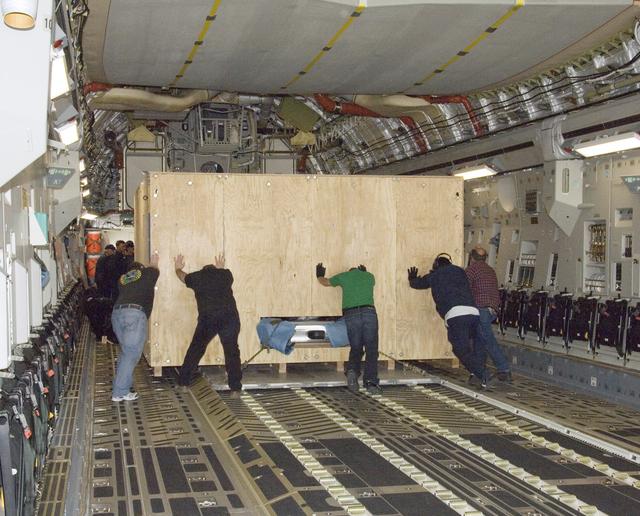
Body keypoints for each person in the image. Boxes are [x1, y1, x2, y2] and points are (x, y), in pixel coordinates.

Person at [408, 253, 488, 387]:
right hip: (474, 313)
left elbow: (418, 284)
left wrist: (412, 278)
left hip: (456, 315)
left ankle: (482, 373)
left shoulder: (436, 275)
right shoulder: (460, 271)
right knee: (477, 345)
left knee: (460, 349)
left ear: (436, 265)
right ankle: (476, 374)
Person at [174, 253, 242, 394]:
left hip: (208, 318)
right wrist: (221, 268)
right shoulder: (226, 275)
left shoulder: (197, 277)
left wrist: (177, 268)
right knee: (232, 351)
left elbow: (182, 277)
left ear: (203, 270)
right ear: (214, 269)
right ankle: (235, 388)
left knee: (196, 348)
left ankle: (183, 383)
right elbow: (223, 273)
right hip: (229, 317)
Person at [316, 263, 381, 394]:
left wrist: (319, 275)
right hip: (369, 312)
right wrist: (364, 272)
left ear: (349, 271)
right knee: (371, 348)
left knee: (356, 346)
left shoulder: (344, 276)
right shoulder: (369, 276)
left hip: (351, 315)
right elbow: (367, 281)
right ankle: (371, 383)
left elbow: (325, 282)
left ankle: (352, 372)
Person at [111, 252, 160, 401]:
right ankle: (119, 392)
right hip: (134, 314)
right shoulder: (146, 273)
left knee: (126, 352)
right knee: (131, 353)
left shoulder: (122, 280)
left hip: (117, 314)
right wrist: (154, 262)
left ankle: (123, 387)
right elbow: (154, 270)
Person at [466, 246, 512, 382]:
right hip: (492, 310)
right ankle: (478, 372)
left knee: (488, 340)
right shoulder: (490, 270)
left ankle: (504, 369)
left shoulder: (471, 270)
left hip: (480, 310)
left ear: (471, 258)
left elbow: (464, 289)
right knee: (480, 341)